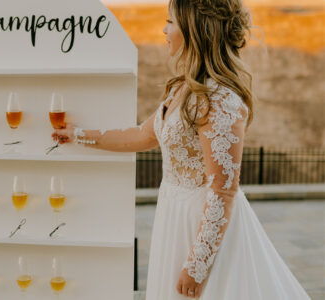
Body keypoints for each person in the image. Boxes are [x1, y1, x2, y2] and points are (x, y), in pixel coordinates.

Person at [52, 0, 311, 299]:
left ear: (194, 30)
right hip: (173, 217)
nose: (163, 29)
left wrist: (198, 265)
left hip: (201, 229)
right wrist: (79, 135)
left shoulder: (220, 98)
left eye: (170, 22)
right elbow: (140, 135)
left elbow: (223, 188)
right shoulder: (183, 89)